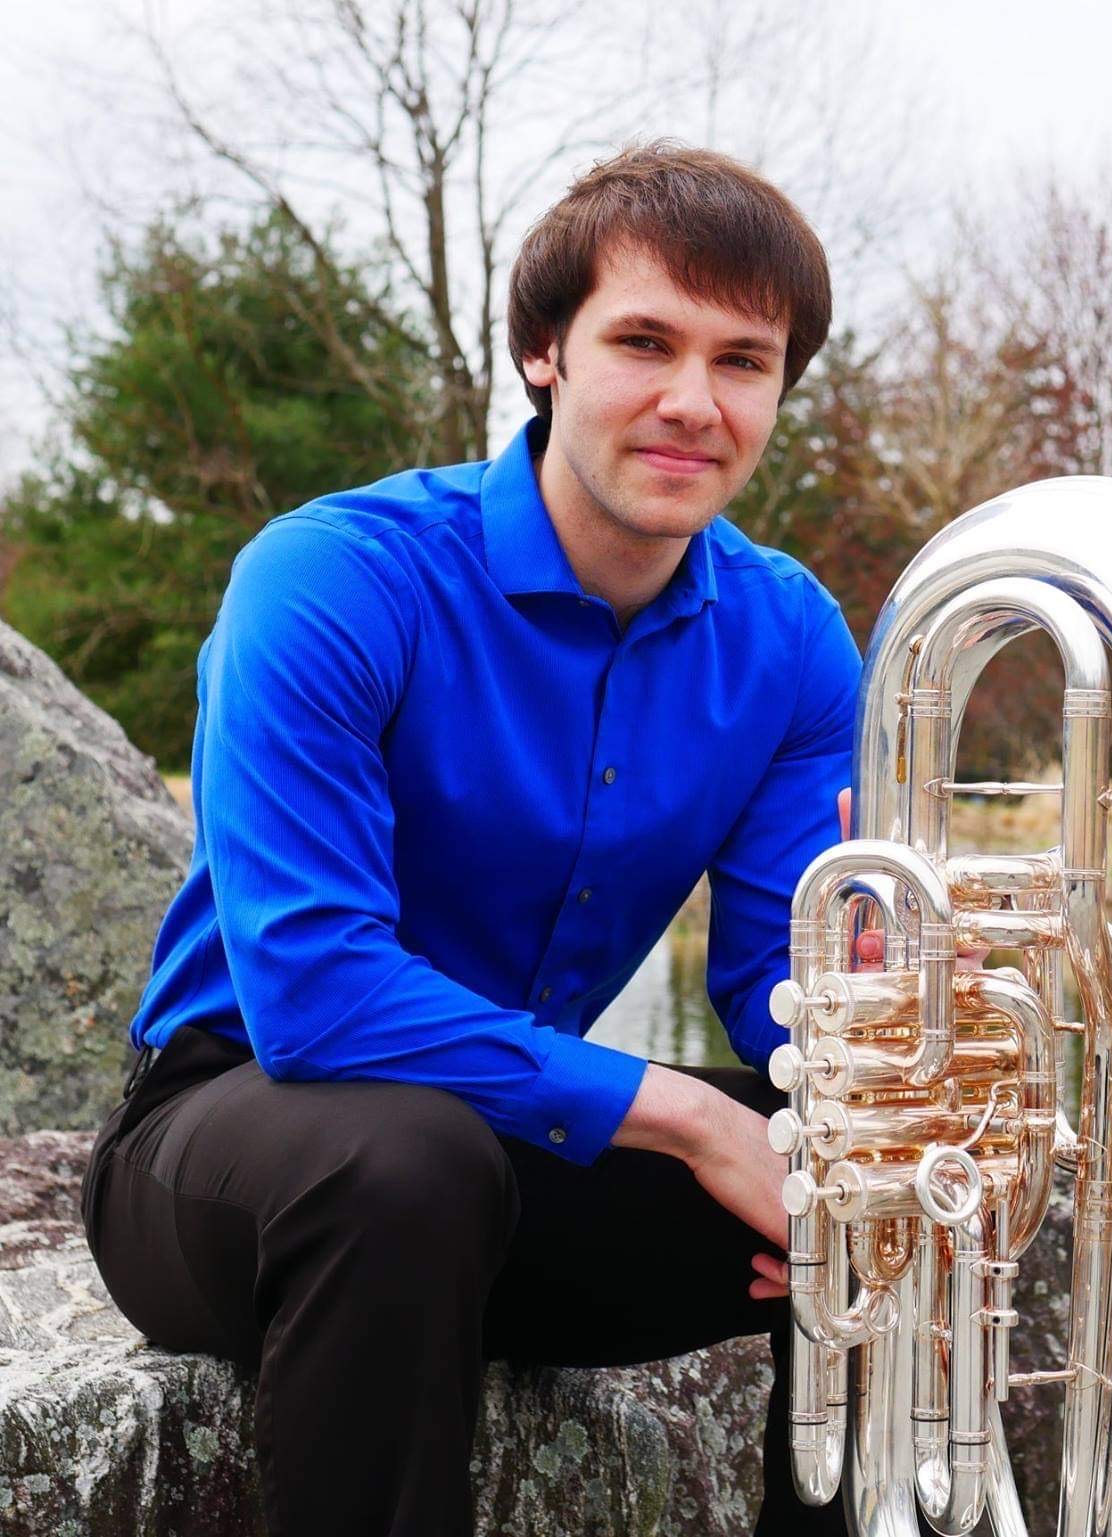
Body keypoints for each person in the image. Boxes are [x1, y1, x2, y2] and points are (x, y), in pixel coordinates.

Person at [78, 141, 861, 1537]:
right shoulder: (334, 575)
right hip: (232, 1149)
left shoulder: (790, 634)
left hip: (499, 1165)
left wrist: (868, 998)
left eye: (743, 361)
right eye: (643, 341)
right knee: (405, 1161)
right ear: (542, 351)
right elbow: (313, 995)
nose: (694, 400)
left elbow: (771, 990)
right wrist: (689, 1121)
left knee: (898, 1173)